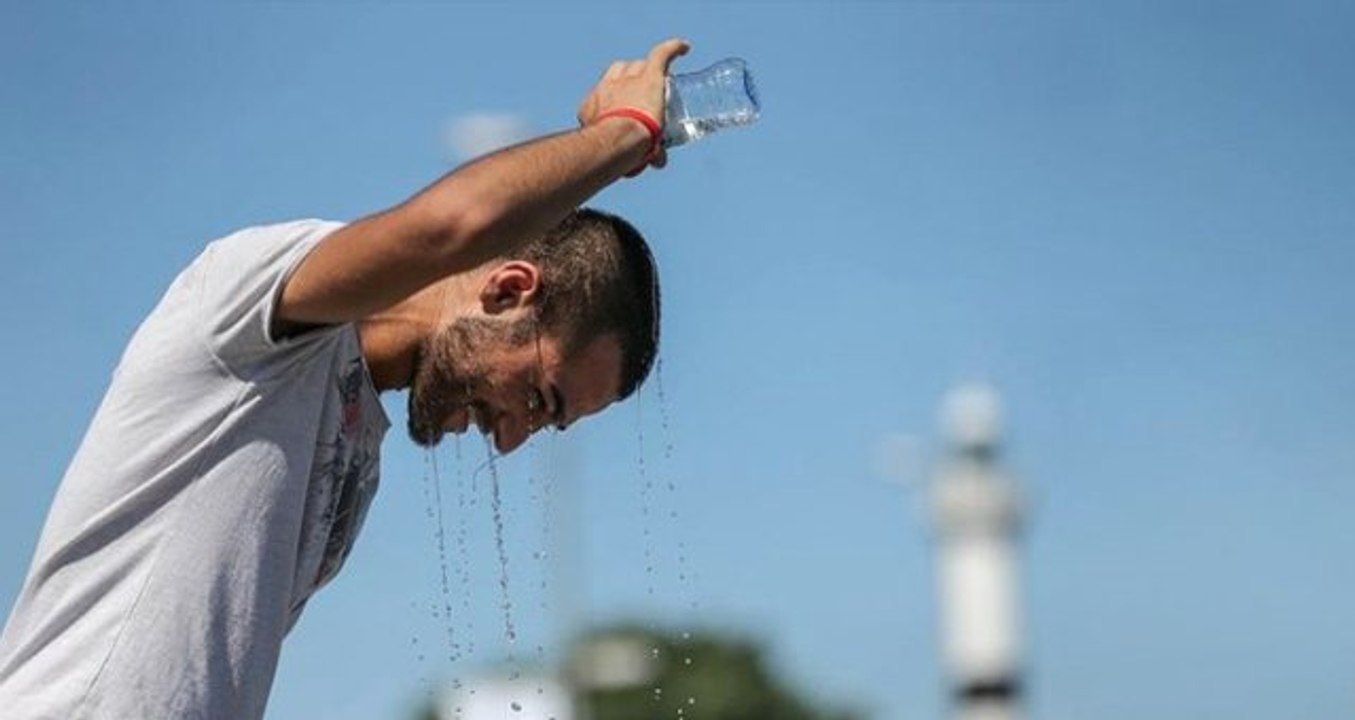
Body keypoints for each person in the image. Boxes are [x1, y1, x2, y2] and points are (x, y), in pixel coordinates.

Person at [0, 37, 691, 720]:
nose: (511, 440)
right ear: (507, 291)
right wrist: (623, 134)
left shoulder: (357, 445)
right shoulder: (253, 308)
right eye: (537, 398)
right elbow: (454, 226)